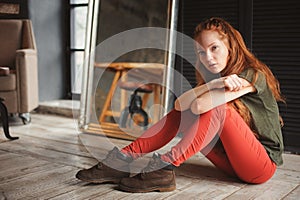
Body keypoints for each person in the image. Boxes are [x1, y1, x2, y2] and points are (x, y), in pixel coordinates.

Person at [76, 17, 285, 193]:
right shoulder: (219, 78)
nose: (208, 58)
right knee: (184, 112)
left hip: (260, 166)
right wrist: (213, 83)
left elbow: (199, 107)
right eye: (202, 53)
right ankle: (121, 160)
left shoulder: (251, 76)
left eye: (214, 48)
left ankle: (164, 168)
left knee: (220, 111)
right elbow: (179, 106)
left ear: (230, 45)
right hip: (231, 162)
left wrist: (210, 88)